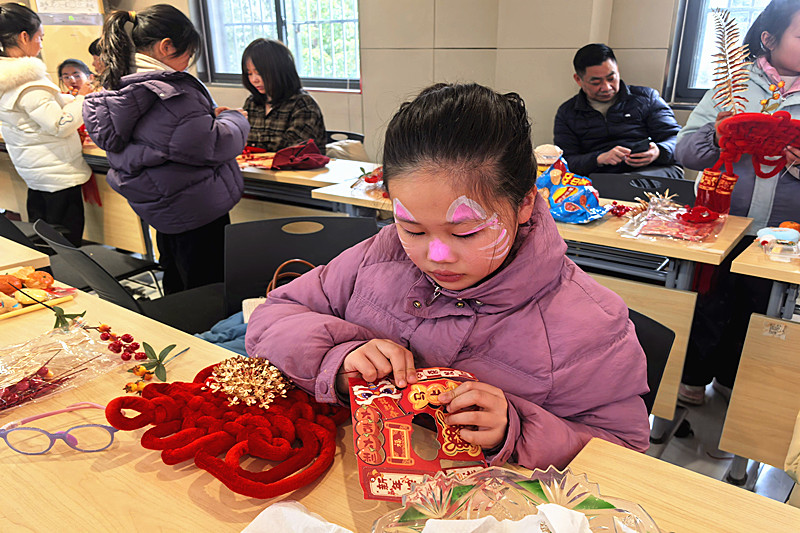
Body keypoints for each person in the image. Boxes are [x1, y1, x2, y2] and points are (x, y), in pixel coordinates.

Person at [245, 83, 650, 470]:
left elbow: (624, 452)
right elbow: (273, 315)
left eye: (465, 231)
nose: (435, 256)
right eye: (414, 229)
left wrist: (515, 429)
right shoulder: (379, 254)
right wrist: (338, 358)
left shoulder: (589, 323)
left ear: (525, 202)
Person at [676, 0, 800, 405]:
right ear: (769, 38)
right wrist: (721, 132)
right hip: (718, 228)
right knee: (707, 303)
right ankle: (689, 380)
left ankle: (733, 386)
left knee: (760, 309)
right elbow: (685, 153)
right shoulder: (732, 85)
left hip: (781, 239)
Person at [82, 5, 250, 293]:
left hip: (164, 206)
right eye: (188, 53)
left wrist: (206, 118)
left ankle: (177, 329)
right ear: (166, 46)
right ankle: (204, 336)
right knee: (207, 290)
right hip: (196, 207)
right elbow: (212, 145)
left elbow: (170, 140)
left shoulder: (119, 90)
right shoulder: (168, 93)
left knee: (177, 275)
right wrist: (234, 118)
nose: (188, 62)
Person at [0, 3, 91, 247]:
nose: (41, 44)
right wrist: (83, 98)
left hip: (36, 172)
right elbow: (59, 125)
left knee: (43, 238)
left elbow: (39, 112)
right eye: (40, 37)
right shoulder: (29, 82)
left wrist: (69, 99)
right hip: (58, 175)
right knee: (65, 245)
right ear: (23, 37)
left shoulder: (9, 79)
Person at [554, 43, 683, 179]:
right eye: (596, 82)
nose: (606, 87)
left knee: (630, 184)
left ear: (618, 71)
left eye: (611, 78)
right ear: (578, 80)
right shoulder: (568, 112)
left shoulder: (647, 98)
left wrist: (658, 152)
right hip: (602, 176)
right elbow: (566, 161)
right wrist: (599, 158)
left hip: (653, 171)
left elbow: (679, 141)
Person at [241, 38, 326, 151]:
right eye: (249, 73)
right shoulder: (252, 102)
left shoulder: (302, 103)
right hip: (254, 168)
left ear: (280, 71)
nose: (254, 79)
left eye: (259, 73)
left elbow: (291, 150)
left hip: (294, 168)